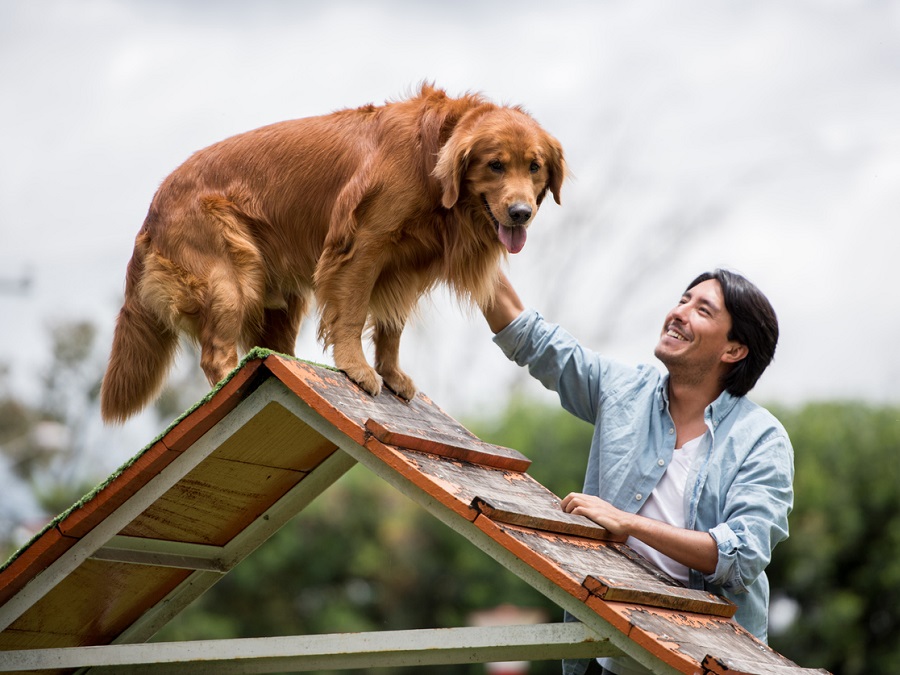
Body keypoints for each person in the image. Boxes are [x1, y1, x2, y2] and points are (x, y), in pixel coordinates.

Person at [482, 268, 794, 675]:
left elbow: (741, 555)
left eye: (703, 309)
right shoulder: (623, 391)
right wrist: (470, 246)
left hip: (706, 662)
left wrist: (627, 523)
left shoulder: (762, 438)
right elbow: (532, 338)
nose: (680, 312)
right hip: (605, 661)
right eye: (683, 299)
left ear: (734, 350)